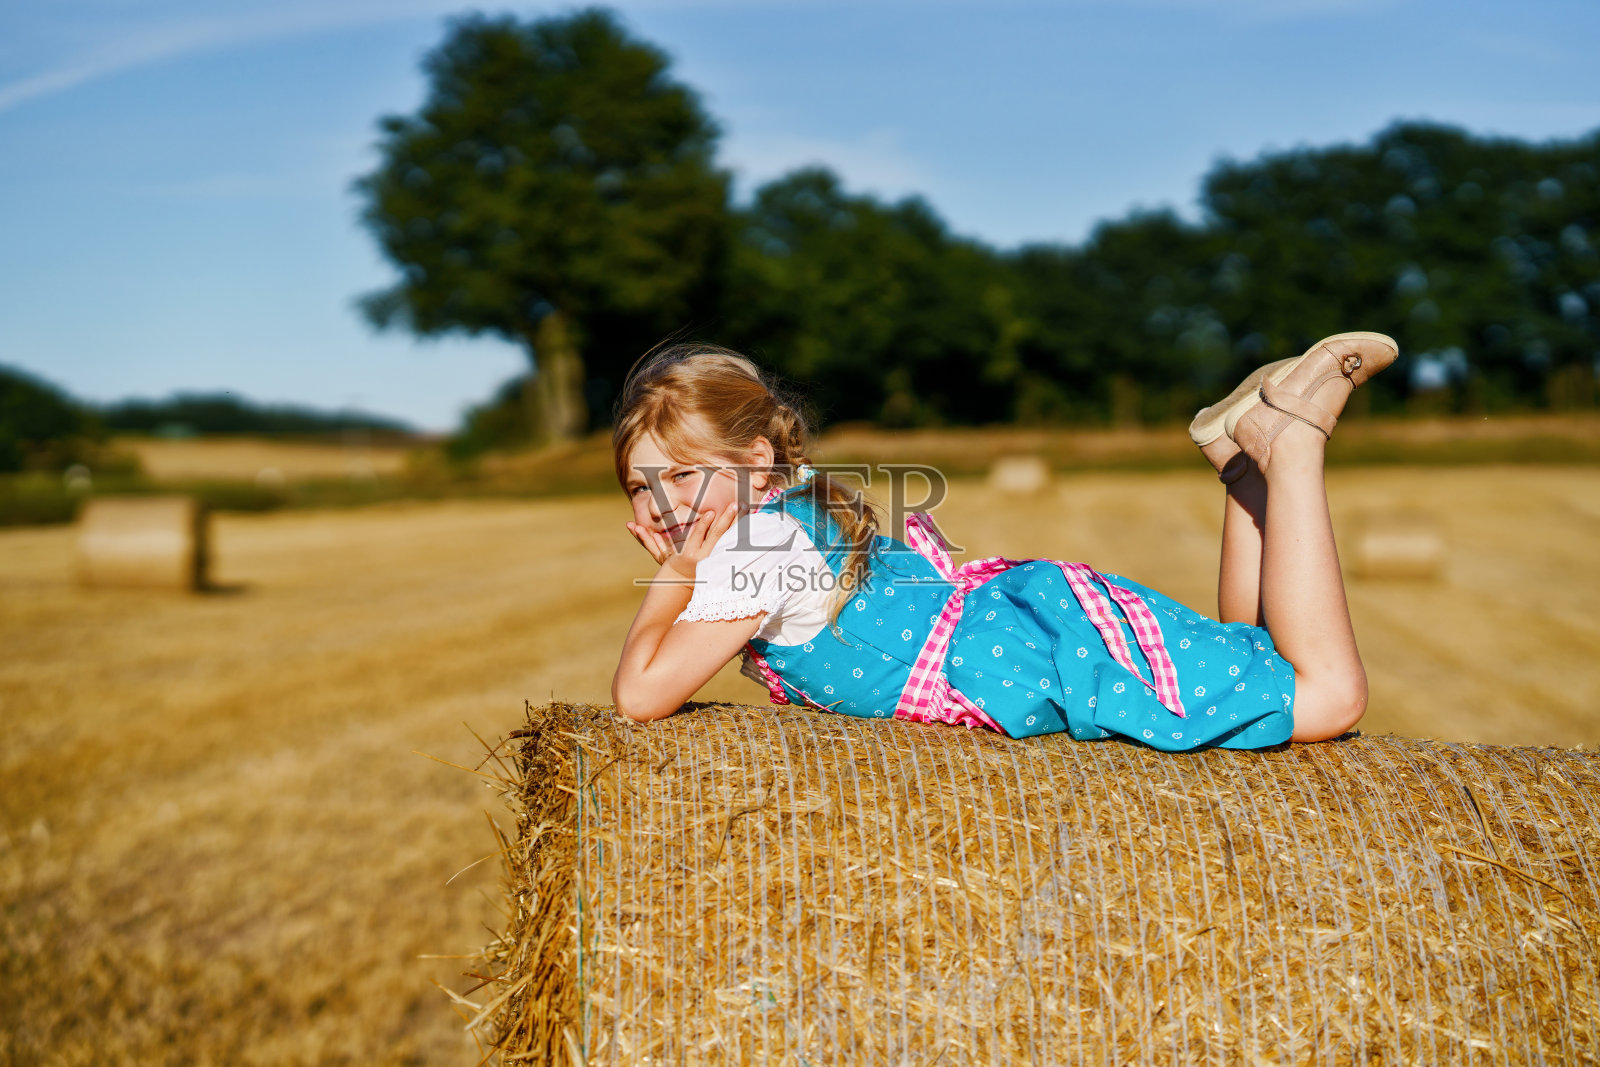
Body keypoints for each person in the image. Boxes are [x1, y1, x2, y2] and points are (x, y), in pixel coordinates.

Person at [610, 334, 1396, 750]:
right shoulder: (784, 518)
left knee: (1329, 695)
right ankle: (1244, 469)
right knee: (1252, 664)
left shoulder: (755, 552)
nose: (664, 504)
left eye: (682, 476)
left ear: (755, 461)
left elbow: (642, 696)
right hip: (1019, 634)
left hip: (1023, 652)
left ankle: (1290, 444)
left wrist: (677, 570)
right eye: (642, 488)